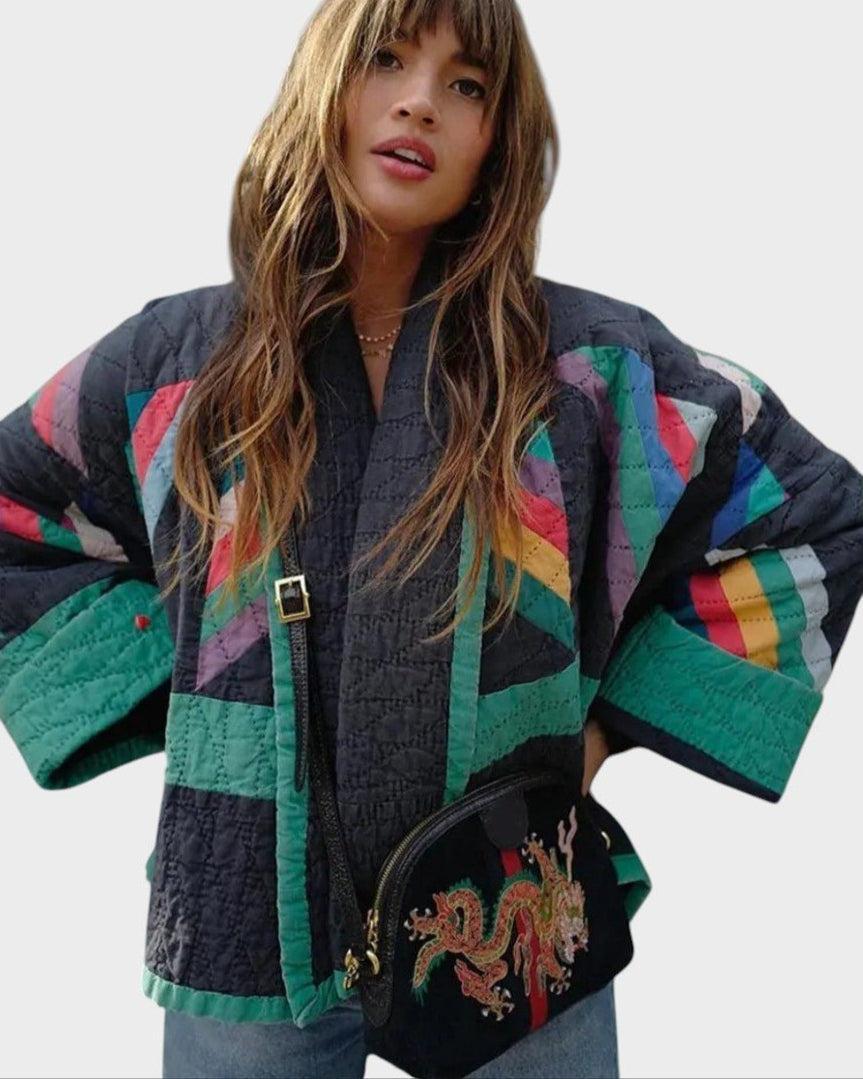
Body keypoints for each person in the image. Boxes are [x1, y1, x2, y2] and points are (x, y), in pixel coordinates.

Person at [1, 1, 862, 1077]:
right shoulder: (176, 365)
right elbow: (16, 509)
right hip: (244, 906)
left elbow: (809, 510)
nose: (419, 102)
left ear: (498, 140)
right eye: (386, 59)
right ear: (323, 83)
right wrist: (182, 693)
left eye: (467, 85)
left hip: (512, 909)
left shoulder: (589, 368)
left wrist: (604, 732)